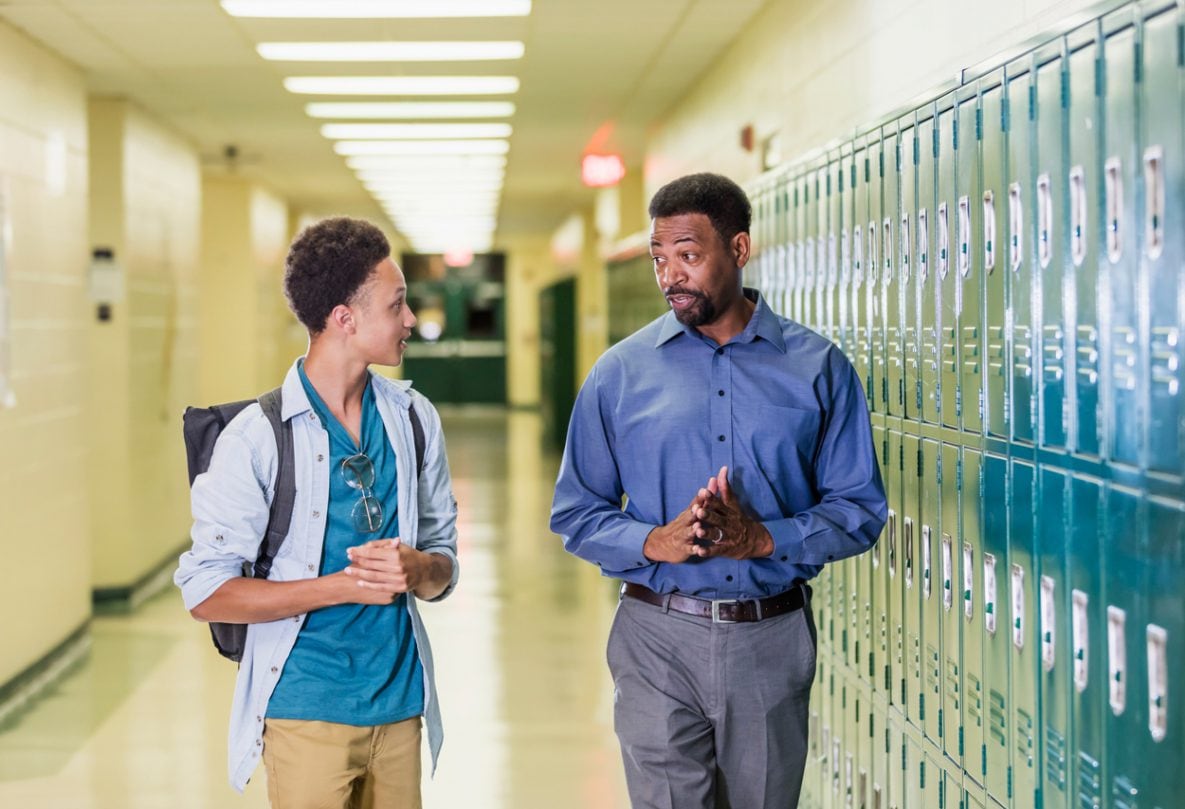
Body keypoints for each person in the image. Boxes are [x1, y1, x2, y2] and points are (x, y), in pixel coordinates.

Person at [550, 173, 886, 809]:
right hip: (655, 633)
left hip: (769, 636)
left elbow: (860, 510)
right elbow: (576, 512)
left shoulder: (818, 368)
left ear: (738, 248)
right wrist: (653, 539)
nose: (669, 275)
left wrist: (765, 538)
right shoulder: (619, 373)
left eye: (688, 255)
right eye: (658, 258)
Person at [175, 217, 459, 808]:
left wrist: (419, 570)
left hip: (401, 704)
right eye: (397, 304)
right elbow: (206, 591)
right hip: (307, 710)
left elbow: (444, 563)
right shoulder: (257, 438)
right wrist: (338, 587)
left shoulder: (412, 418)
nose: (410, 320)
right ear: (344, 318)